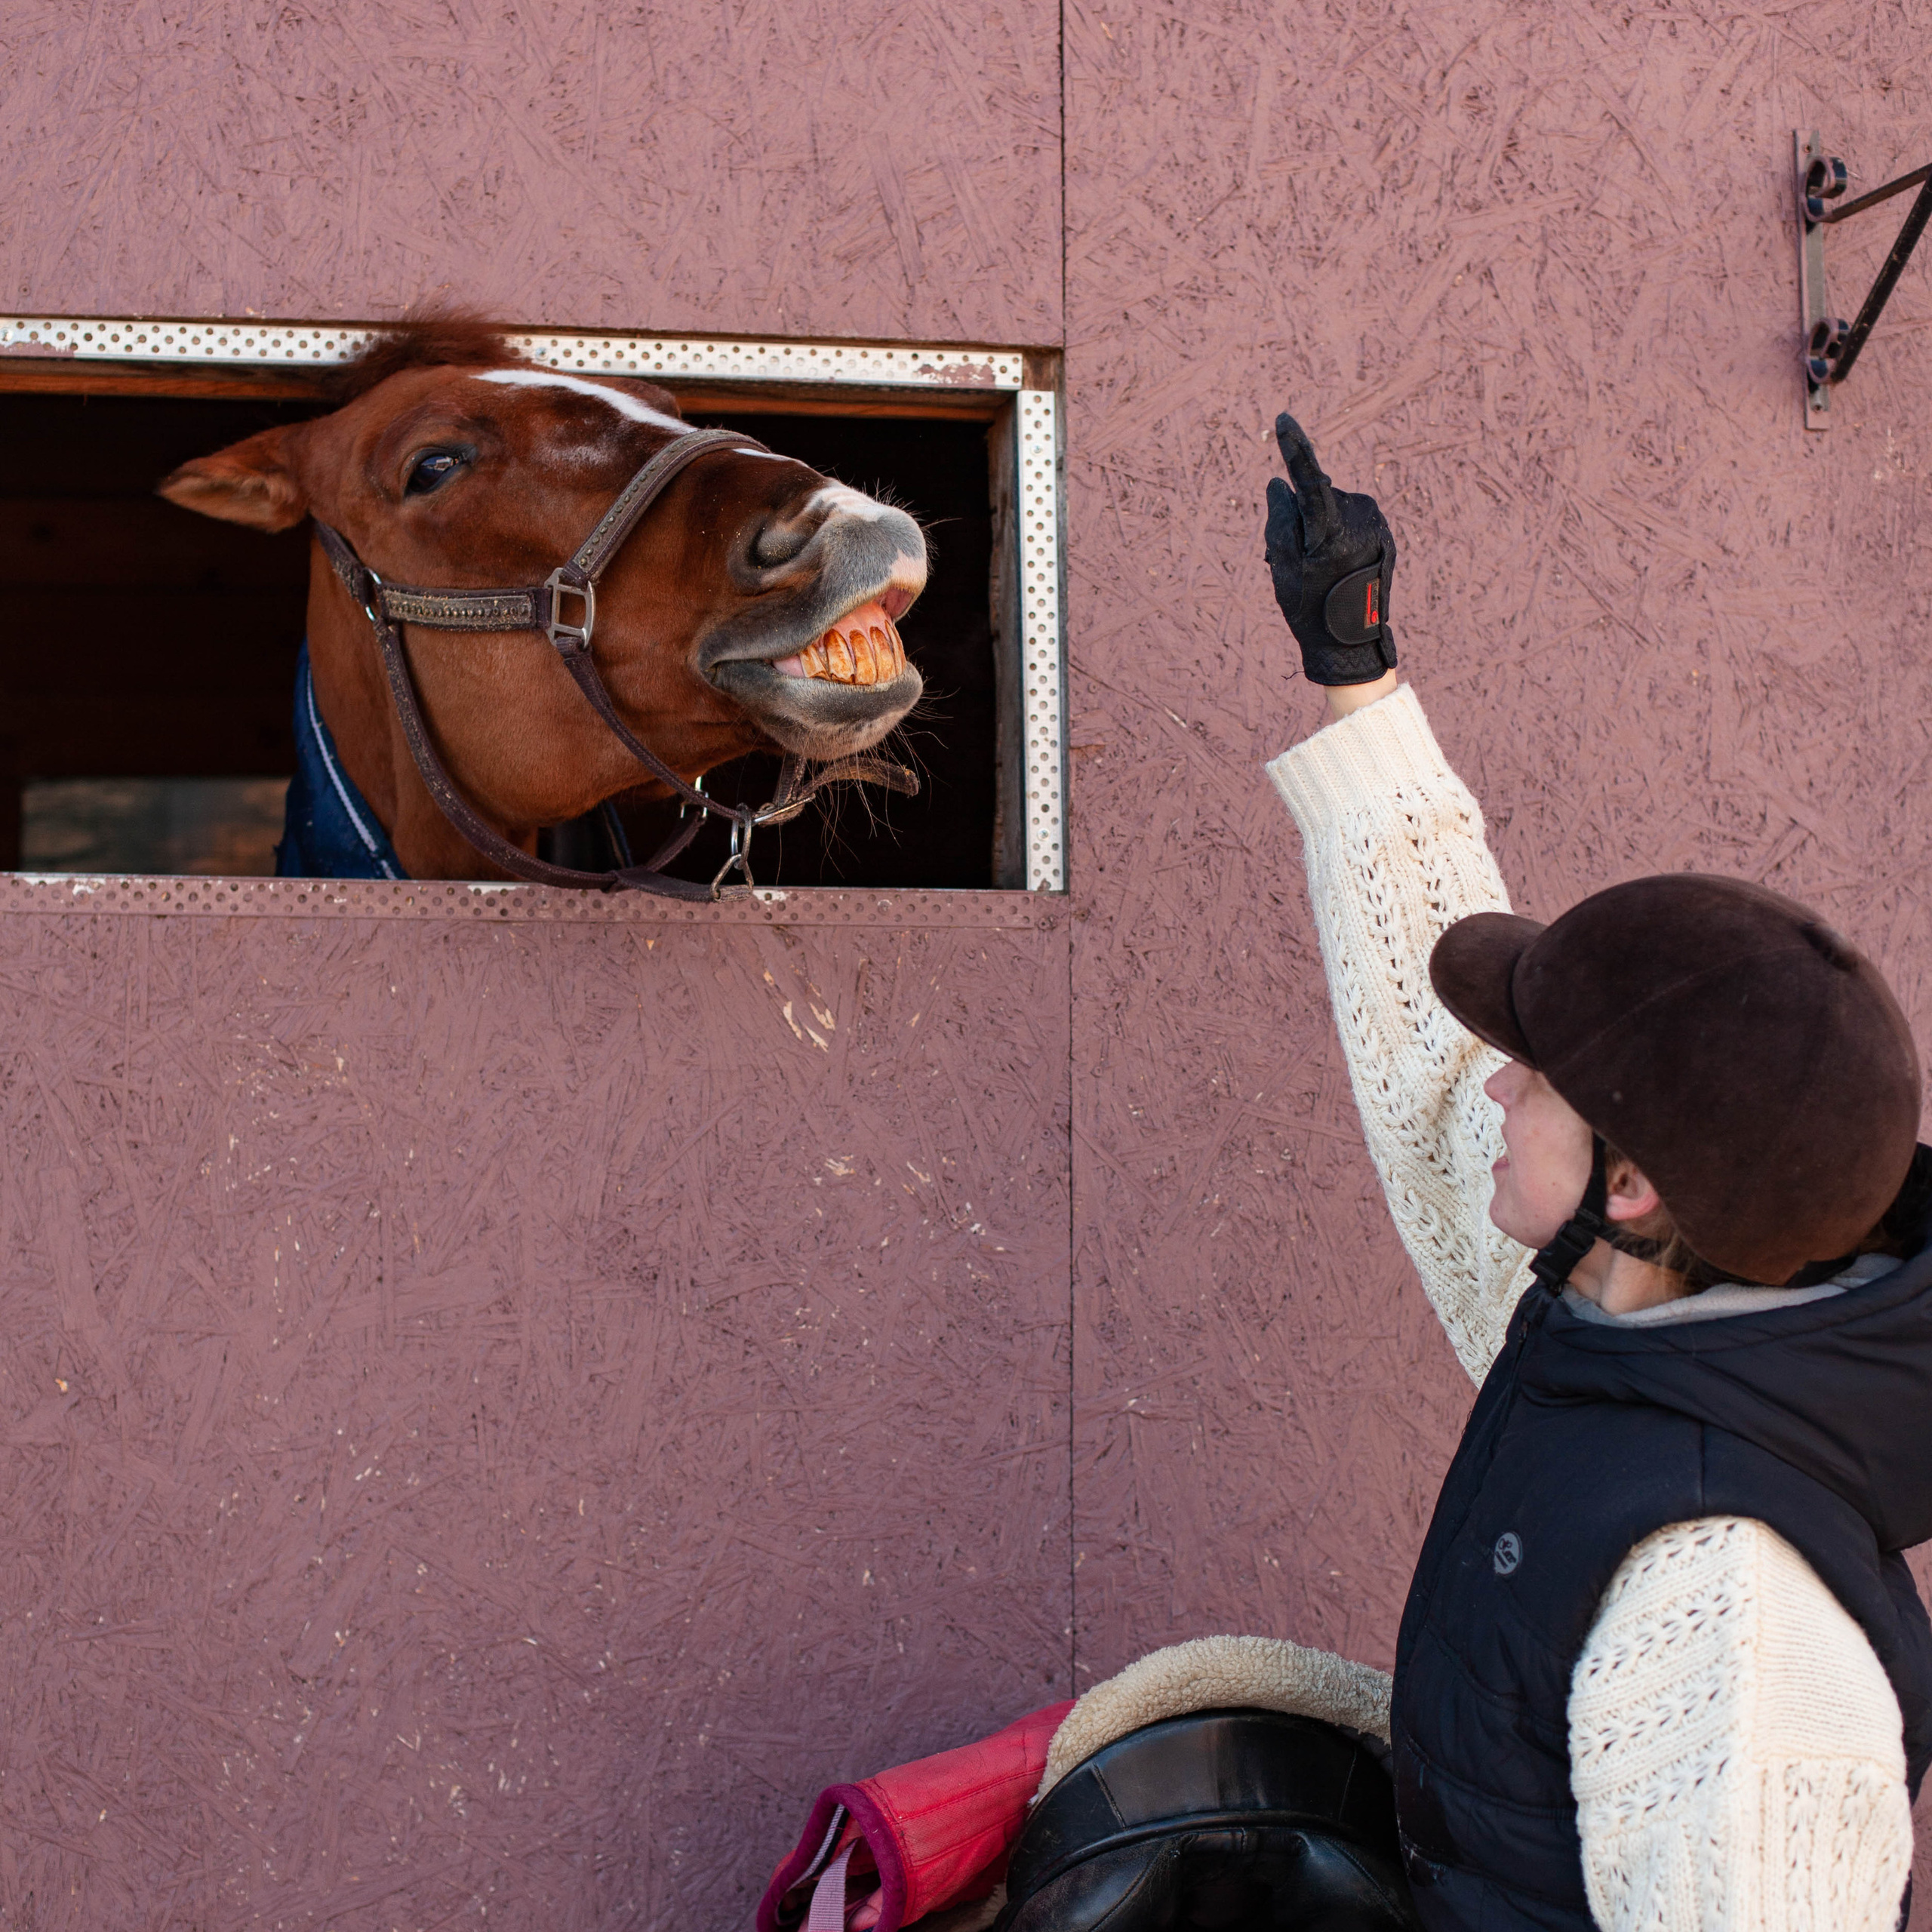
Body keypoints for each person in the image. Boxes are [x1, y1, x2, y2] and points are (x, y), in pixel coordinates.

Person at [1261, 414, 1932, 1932]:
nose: (1493, 1082)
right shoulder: (1629, 1335)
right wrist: (1355, 671)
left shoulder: (1737, 1622)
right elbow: (1428, 1089)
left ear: (1626, 1189)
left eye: (1537, 1076)